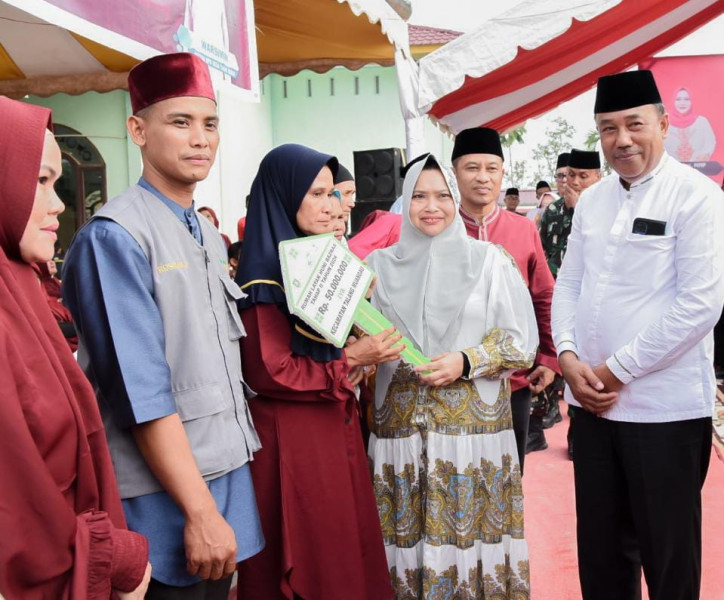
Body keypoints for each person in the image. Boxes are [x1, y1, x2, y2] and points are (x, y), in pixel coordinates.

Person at [62, 53, 263, 599]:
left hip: (219, 478)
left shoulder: (203, 231)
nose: (200, 139)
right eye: (180, 122)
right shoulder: (116, 237)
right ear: (138, 130)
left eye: (210, 123)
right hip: (160, 497)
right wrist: (198, 512)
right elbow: (141, 393)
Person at [552, 69, 724, 600]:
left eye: (634, 124)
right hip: (592, 408)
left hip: (661, 412)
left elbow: (700, 306)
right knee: (601, 556)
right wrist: (567, 354)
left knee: (668, 557)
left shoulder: (696, 196)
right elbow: (569, 283)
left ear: (664, 123)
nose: (621, 139)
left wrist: (610, 372)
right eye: (607, 128)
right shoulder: (595, 200)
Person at [367, 154, 537, 598]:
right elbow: (356, 340)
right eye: (419, 195)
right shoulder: (377, 267)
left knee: (470, 552)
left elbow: (521, 342)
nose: (431, 206)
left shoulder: (489, 261)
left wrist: (465, 361)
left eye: (442, 195)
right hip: (399, 443)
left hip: (471, 446)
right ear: (404, 201)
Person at [0, 97, 151, 599]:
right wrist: (114, 558)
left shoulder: (19, 288)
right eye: (40, 180)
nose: (59, 203)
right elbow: (17, 507)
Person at [234, 143, 396, 600]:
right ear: (285, 198)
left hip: (331, 421)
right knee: (311, 554)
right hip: (293, 437)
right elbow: (271, 371)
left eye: (334, 195)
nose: (333, 207)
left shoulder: (317, 261)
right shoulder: (263, 278)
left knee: (343, 547)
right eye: (318, 195)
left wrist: (358, 333)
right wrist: (356, 359)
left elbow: (330, 351)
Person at [452, 127, 559, 469]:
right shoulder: (438, 227)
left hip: (512, 383)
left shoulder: (523, 229)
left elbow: (543, 296)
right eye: (472, 168)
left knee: (509, 479)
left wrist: (548, 357)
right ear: (454, 172)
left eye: (491, 168)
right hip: (451, 383)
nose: (482, 177)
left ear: (501, 173)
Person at [539, 149, 601, 279]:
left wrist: (576, 209)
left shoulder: (606, 207)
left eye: (583, 176)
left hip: (589, 285)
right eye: (571, 175)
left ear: (598, 177)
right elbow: (540, 251)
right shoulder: (553, 209)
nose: (575, 182)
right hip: (555, 285)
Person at [664, 87, 716, 162]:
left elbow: (709, 143)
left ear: (692, 101)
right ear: (673, 101)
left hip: (697, 170)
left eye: (687, 99)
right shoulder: (665, 123)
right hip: (670, 169)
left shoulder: (702, 122)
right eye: (678, 99)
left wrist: (702, 157)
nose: (682, 103)